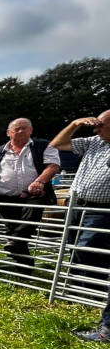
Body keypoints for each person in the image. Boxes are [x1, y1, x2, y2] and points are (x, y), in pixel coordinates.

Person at [0, 118, 60, 273]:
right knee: (13, 229)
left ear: (31, 131)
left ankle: (18, 249)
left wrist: (40, 181)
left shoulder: (43, 146)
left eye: (25, 128)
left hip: (34, 194)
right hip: (4, 197)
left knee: (27, 220)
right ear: (9, 133)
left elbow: (53, 165)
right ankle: (25, 267)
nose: (21, 131)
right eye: (17, 129)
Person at [50, 109, 110, 277]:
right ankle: (77, 288)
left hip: (101, 210)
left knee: (87, 249)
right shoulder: (95, 141)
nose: (95, 130)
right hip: (76, 205)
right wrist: (75, 124)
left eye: (101, 125)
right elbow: (57, 145)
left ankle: (93, 290)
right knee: (73, 246)